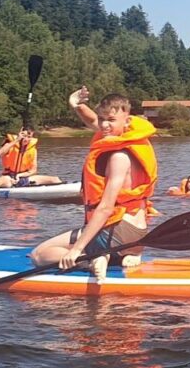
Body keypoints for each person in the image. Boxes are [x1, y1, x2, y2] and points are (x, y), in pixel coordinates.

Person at [30, 86, 158, 282]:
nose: (104, 125)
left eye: (111, 120)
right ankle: (125, 253)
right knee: (80, 240)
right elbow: (94, 121)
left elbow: (106, 208)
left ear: (127, 121)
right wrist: (76, 104)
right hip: (136, 232)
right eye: (102, 119)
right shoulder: (131, 138)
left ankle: (91, 259)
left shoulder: (118, 157)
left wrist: (78, 250)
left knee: (40, 254)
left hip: (116, 228)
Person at [0, 125, 62, 199]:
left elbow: (33, 170)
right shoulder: (10, 144)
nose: (26, 139)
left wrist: (20, 175)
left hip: (25, 178)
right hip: (9, 178)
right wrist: (17, 140)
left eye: (29, 137)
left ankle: (62, 196)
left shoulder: (33, 150)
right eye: (24, 136)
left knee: (55, 179)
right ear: (20, 134)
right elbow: (0, 153)